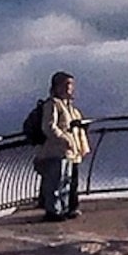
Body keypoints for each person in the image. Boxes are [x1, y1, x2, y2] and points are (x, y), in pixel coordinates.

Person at [28, 71, 92, 221]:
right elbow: (49, 126)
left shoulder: (69, 107)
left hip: (68, 151)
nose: (70, 88)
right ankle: (54, 212)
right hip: (57, 151)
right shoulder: (52, 105)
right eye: (67, 85)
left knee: (65, 182)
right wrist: (65, 139)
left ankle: (63, 209)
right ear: (57, 87)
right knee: (56, 182)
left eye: (71, 85)